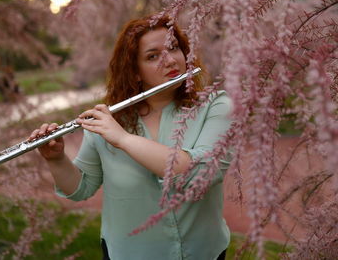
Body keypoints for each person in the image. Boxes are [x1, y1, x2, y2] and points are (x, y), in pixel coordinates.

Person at [29, 14, 232, 260]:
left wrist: (123, 139)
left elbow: (200, 174)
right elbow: (80, 188)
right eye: (153, 56)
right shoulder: (108, 121)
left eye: (173, 48)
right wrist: (56, 159)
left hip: (203, 252)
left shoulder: (215, 106)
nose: (169, 60)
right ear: (135, 72)